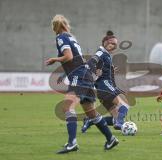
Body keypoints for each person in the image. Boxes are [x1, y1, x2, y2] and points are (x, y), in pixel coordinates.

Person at [45, 15, 118, 154]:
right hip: (85, 75)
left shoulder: (61, 37)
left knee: (68, 107)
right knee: (91, 113)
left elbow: (69, 57)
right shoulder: (71, 37)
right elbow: (77, 60)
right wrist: (66, 73)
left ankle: (72, 143)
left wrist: (55, 59)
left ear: (54, 27)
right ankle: (111, 139)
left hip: (79, 76)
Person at [81, 31, 130, 133]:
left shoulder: (106, 55)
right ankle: (120, 124)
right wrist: (95, 71)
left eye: (115, 45)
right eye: (111, 43)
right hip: (104, 86)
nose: (113, 46)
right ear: (104, 42)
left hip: (102, 88)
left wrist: (111, 71)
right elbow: (91, 62)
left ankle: (89, 121)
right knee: (124, 106)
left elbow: (104, 71)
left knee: (115, 117)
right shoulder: (101, 52)